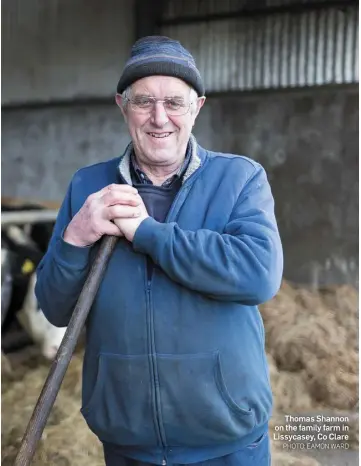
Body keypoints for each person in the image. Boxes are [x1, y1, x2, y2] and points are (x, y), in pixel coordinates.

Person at [35, 35, 283, 466]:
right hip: (128, 442)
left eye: (174, 102)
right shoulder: (88, 187)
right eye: (143, 101)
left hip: (226, 440)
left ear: (197, 108)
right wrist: (75, 237)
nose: (159, 118)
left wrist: (148, 233)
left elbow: (258, 274)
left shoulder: (240, 178)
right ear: (121, 105)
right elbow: (55, 309)